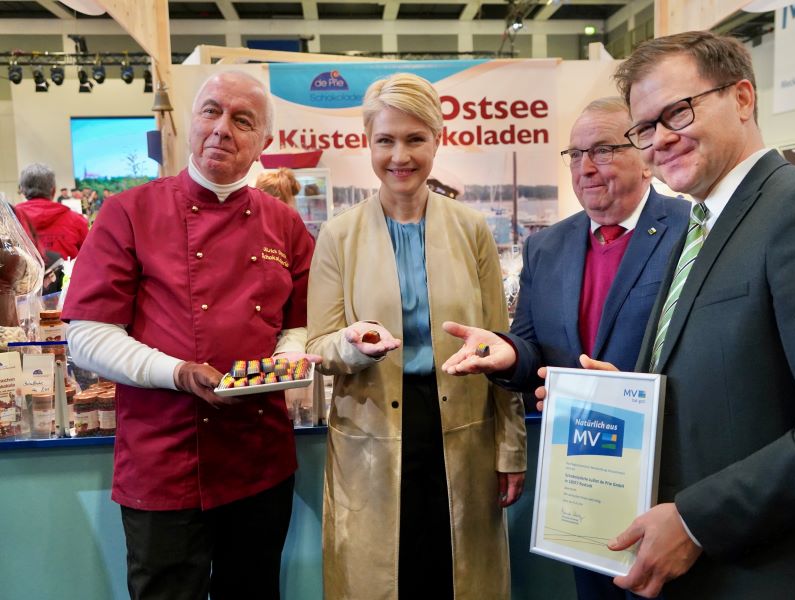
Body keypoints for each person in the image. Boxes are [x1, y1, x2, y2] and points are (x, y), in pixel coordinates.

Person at [575, 30, 795, 598]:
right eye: (645, 128)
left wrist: (698, 520)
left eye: (677, 112)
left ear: (743, 99)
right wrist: (630, 397)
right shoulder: (700, 224)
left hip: (785, 573)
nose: (660, 141)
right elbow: (739, 376)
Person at [61, 70, 316, 600]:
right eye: (211, 111)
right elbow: (86, 336)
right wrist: (176, 371)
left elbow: (297, 326)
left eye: (242, 120)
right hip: (163, 459)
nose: (222, 129)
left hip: (258, 458)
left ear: (264, 143)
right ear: (192, 122)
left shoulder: (285, 225)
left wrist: (283, 364)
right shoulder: (128, 213)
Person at [441, 97, 688, 599]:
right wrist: (509, 354)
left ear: (644, 153)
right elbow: (535, 346)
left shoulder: (690, 229)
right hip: (584, 482)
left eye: (601, 149)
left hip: (671, 482)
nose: (586, 168)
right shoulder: (547, 246)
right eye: (574, 155)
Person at [306, 73, 526, 600]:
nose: (399, 155)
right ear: (368, 144)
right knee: (383, 577)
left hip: (462, 431)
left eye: (414, 139)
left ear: (437, 140)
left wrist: (511, 449)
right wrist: (351, 344)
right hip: (372, 431)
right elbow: (319, 346)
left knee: (455, 576)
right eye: (385, 140)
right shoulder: (339, 235)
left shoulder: (472, 229)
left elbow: (500, 347)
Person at [14, 163, 88, 259]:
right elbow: (90, 258)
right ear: (53, 190)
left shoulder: (10, 220)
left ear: (23, 191)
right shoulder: (77, 221)